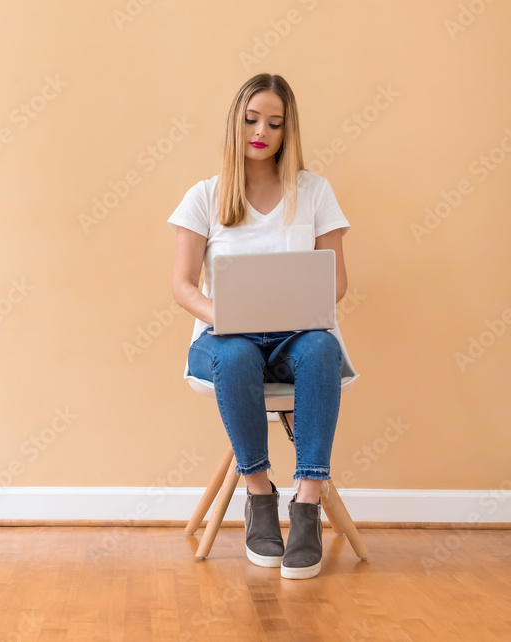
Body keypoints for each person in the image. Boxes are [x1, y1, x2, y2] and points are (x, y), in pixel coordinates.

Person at [167, 73, 351, 580]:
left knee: (320, 350)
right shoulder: (204, 196)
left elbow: (335, 281)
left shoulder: (315, 192)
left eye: (274, 122)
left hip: (297, 337)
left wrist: (295, 310)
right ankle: (259, 494)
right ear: (235, 123)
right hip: (224, 339)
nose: (261, 131)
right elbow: (182, 287)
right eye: (251, 120)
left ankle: (308, 503)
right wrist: (228, 318)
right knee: (237, 353)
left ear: (288, 130)